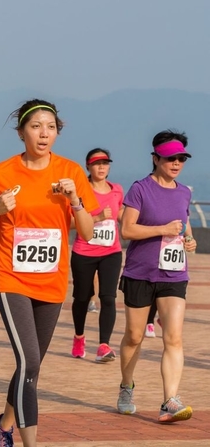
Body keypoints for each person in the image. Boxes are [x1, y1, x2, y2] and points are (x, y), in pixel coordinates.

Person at [0, 99, 98, 447]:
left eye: (51, 127)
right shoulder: (3, 173)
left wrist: (75, 200)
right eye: (36, 126)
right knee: (30, 361)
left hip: (51, 282)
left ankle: (3, 424)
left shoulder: (70, 172)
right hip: (11, 279)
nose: (44, 133)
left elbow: (88, 234)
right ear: (21, 132)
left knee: (31, 365)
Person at [117, 129, 197, 423]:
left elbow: (184, 224)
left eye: (181, 159)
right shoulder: (140, 189)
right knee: (134, 336)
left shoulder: (184, 191)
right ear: (155, 158)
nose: (176, 163)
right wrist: (162, 229)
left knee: (173, 337)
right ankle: (127, 386)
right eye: (170, 158)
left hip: (174, 274)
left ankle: (170, 401)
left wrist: (190, 240)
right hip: (140, 272)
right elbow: (127, 229)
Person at [71, 149, 124, 362]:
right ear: (88, 166)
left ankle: (104, 345)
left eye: (105, 162)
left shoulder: (117, 190)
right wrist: (98, 217)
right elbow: (71, 223)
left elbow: (121, 214)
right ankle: (79, 337)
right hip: (84, 251)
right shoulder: (80, 191)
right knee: (82, 298)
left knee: (108, 297)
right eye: (96, 163)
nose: (101, 167)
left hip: (111, 252)